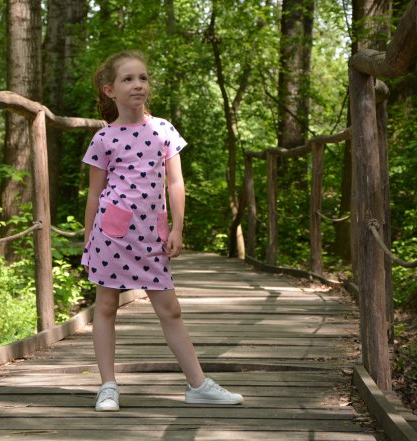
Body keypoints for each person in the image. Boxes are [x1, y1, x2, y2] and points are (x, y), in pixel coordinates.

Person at [81, 50, 244, 412]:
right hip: (111, 235)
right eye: (127, 79)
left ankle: (198, 385)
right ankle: (108, 386)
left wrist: (177, 228)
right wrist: (89, 239)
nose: (138, 84)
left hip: (151, 235)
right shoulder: (104, 138)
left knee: (170, 309)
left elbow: (176, 183)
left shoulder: (163, 130)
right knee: (105, 306)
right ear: (110, 90)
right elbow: (94, 194)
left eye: (142, 78)